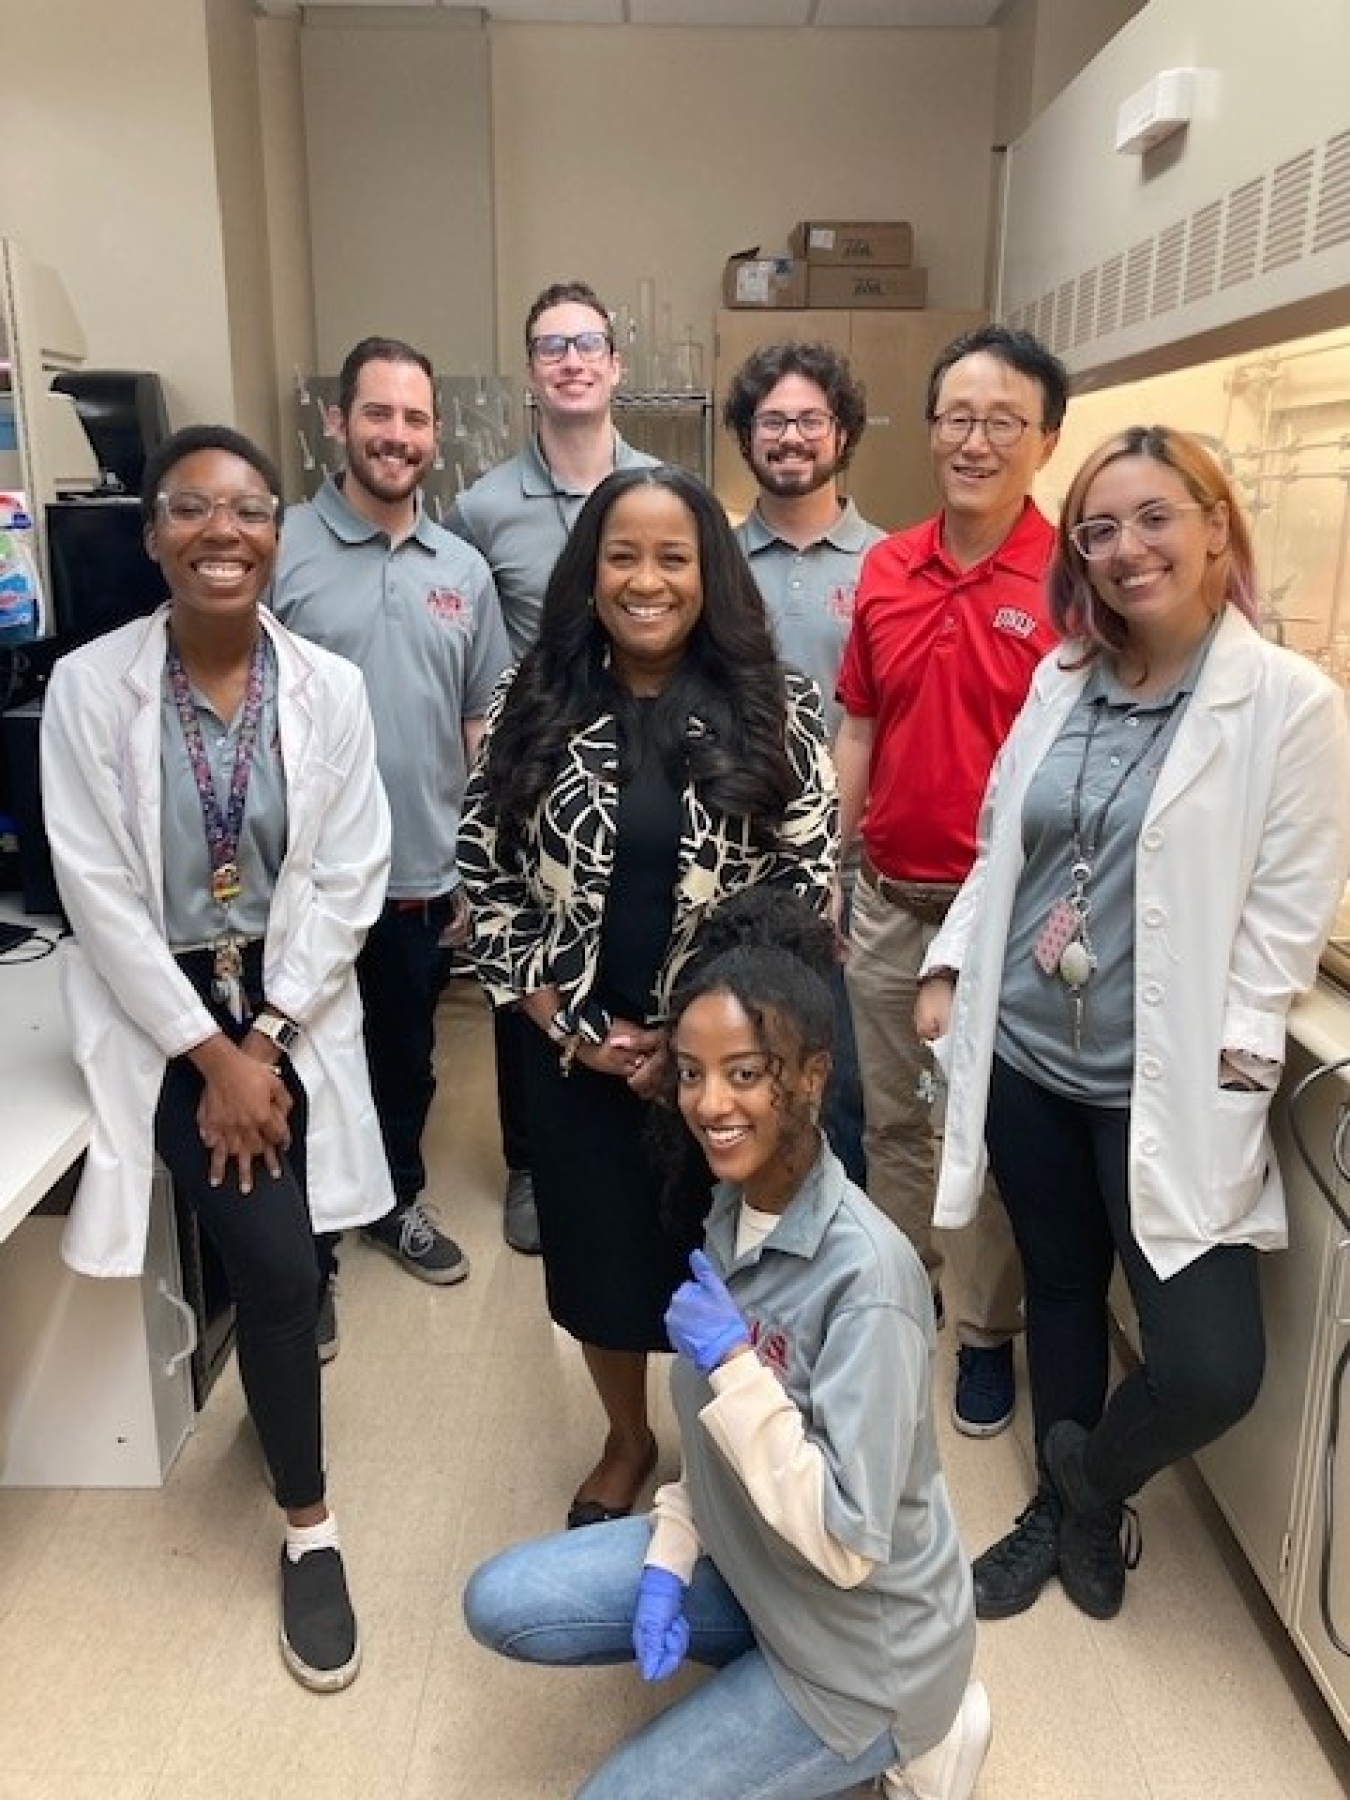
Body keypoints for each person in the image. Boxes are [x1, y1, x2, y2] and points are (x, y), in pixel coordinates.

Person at [919, 424, 1350, 1624]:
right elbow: (1002, 848)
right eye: (1098, 530)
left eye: (1155, 517)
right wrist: (954, 964)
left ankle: (1086, 1476)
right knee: (1060, 1288)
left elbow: (1285, 912)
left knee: (1211, 1367)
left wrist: (1237, 1075)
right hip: (1029, 1063)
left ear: (1219, 523)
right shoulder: (1061, 681)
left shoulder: (1290, 706)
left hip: (1164, 1087)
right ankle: (1071, 1520)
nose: (1125, 549)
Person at [463, 889, 988, 1800]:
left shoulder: (869, 1280)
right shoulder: (729, 1212)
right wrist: (670, 1558)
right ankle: (751, 1640)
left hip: (860, 1655)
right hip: (760, 1566)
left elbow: (850, 1540)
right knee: (500, 1602)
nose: (710, 1103)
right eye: (693, 1072)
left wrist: (738, 1368)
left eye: (745, 1073)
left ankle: (930, 1731)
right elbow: (716, 1444)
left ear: (815, 1076)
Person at [41, 424, 393, 1690]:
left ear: (276, 537)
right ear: (152, 536)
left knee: (287, 1253)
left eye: (247, 510)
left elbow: (348, 875)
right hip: (166, 1005)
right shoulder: (92, 688)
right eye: (191, 509)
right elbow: (94, 893)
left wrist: (266, 1040)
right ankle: (312, 1526)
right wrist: (214, 1058)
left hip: (287, 988)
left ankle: (280, 1417)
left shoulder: (330, 690)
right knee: (278, 1263)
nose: (221, 532)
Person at [458, 464, 837, 1529]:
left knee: (736, 1266)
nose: (647, 580)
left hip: (734, 1068)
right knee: (601, 1263)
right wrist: (569, 1031)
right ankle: (627, 1439)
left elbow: (804, 893)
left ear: (709, 575)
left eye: (674, 557)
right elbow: (485, 878)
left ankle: (739, 1450)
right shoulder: (528, 703)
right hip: (578, 1055)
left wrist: (700, 1046)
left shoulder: (778, 708)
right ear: (590, 572)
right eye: (623, 555)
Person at [836, 323, 1069, 1437]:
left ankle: (985, 1335)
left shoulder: (1073, 582)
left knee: (981, 1135)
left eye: (1003, 423)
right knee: (892, 1126)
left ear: (1045, 440)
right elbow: (860, 723)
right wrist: (834, 865)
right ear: (931, 431)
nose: (975, 442)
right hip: (885, 901)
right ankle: (900, 1293)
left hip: (1009, 925)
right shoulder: (887, 564)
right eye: (957, 418)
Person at [272, 335, 510, 1300]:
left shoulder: (463, 567)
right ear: (339, 421)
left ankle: (394, 1199)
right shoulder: (279, 546)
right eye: (377, 413)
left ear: (434, 434)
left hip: (418, 870)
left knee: (404, 1057)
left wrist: (471, 866)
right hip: (303, 877)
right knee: (294, 1062)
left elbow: (478, 726)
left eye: (415, 418)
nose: (396, 435)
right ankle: (301, 1252)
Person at [450, 279, 657, 1256]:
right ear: (531, 373)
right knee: (524, 967)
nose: (571, 359)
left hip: (651, 763)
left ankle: (655, 1114)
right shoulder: (482, 509)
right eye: (550, 346)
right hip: (537, 779)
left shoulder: (663, 491)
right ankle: (532, 1163)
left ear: (615, 365)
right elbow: (470, 668)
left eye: (587, 343)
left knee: (641, 947)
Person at [723, 339, 885, 1189]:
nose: (790, 437)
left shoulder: (887, 567)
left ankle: (840, 1252)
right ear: (747, 437)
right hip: (730, 864)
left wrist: (831, 859)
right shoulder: (712, 563)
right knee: (738, 1073)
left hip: (847, 873)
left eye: (809, 420)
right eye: (771, 420)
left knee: (844, 1082)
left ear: (843, 433)